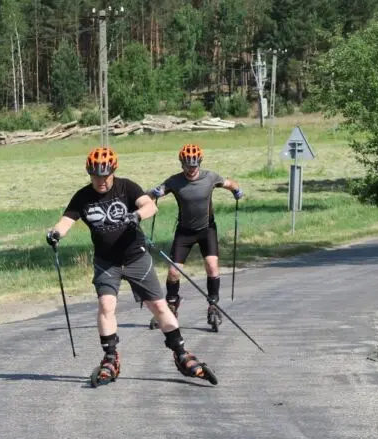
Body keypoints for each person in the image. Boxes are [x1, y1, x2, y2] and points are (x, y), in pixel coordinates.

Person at [45, 147, 217, 386]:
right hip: (107, 262)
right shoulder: (83, 196)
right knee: (106, 305)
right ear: (89, 174)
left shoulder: (127, 187)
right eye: (96, 176)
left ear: (113, 172)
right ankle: (110, 357)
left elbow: (150, 206)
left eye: (106, 176)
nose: (102, 181)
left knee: (158, 306)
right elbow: (66, 221)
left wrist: (136, 215)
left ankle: (181, 354)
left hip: (136, 258)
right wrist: (55, 234)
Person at [147, 143, 244, 331]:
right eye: (187, 166)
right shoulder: (174, 181)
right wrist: (154, 193)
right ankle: (171, 305)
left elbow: (229, 183)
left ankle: (213, 305)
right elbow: (148, 195)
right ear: (181, 164)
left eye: (194, 166)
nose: (191, 170)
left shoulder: (210, 177)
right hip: (184, 231)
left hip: (207, 229)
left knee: (212, 266)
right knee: (174, 271)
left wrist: (236, 190)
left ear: (199, 163)